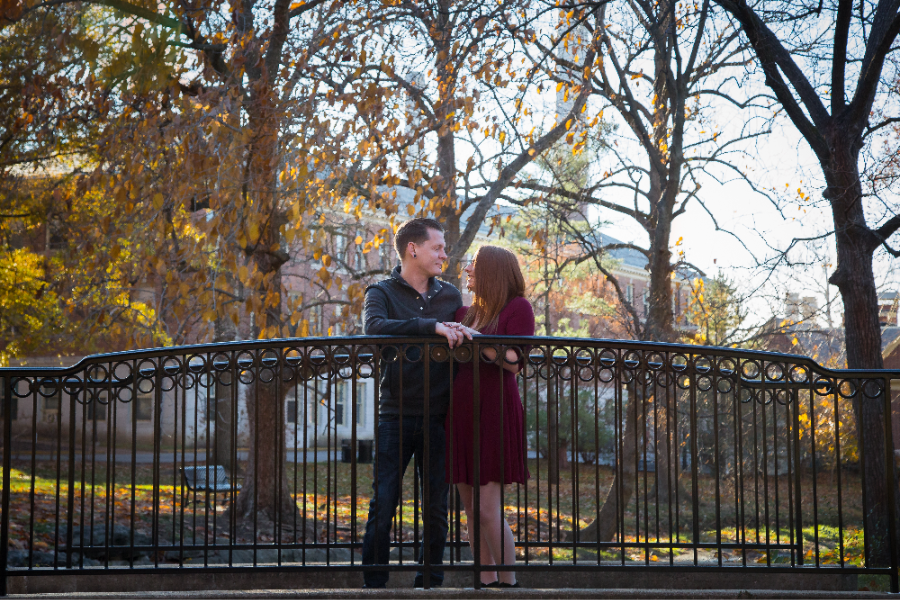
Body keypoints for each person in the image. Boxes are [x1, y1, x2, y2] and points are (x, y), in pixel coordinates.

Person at [361, 217, 471, 589]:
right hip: (396, 414)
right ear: (413, 248)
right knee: (384, 502)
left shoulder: (450, 296)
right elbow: (375, 328)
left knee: (436, 509)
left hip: (441, 415)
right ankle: (374, 585)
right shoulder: (380, 292)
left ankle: (431, 584)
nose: (444, 254)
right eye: (438, 247)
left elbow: (464, 339)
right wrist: (431, 328)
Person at [443, 245, 534, 588]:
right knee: (469, 509)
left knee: (486, 508)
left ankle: (509, 584)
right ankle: (485, 581)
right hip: (462, 410)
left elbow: (513, 360)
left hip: (495, 408)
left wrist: (479, 341)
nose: (467, 270)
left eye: (475, 265)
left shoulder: (518, 308)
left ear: (493, 271)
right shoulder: (465, 312)